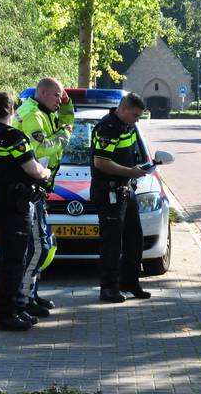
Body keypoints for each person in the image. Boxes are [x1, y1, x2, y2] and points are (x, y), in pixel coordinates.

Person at [0, 92, 51, 331]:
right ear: (12, 111)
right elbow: (33, 170)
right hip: (13, 203)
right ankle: (5, 314)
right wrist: (46, 172)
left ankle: (15, 309)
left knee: (10, 259)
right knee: (13, 262)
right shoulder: (12, 136)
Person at [15, 77, 73, 317]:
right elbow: (41, 148)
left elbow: (65, 122)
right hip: (27, 188)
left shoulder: (44, 111)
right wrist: (64, 135)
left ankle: (31, 293)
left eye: (61, 97)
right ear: (42, 93)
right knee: (39, 247)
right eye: (57, 95)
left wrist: (67, 106)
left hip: (37, 189)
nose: (60, 101)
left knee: (41, 246)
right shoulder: (32, 115)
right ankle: (23, 299)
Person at [90, 93, 151, 303]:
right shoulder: (107, 128)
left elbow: (129, 156)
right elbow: (101, 162)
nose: (137, 120)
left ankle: (130, 282)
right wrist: (130, 171)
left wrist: (140, 167)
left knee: (135, 238)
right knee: (112, 242)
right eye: (135, 115)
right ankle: (108, 288)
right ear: (123, 109)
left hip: (126, 188)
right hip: (109, 191)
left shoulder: (128, 126)